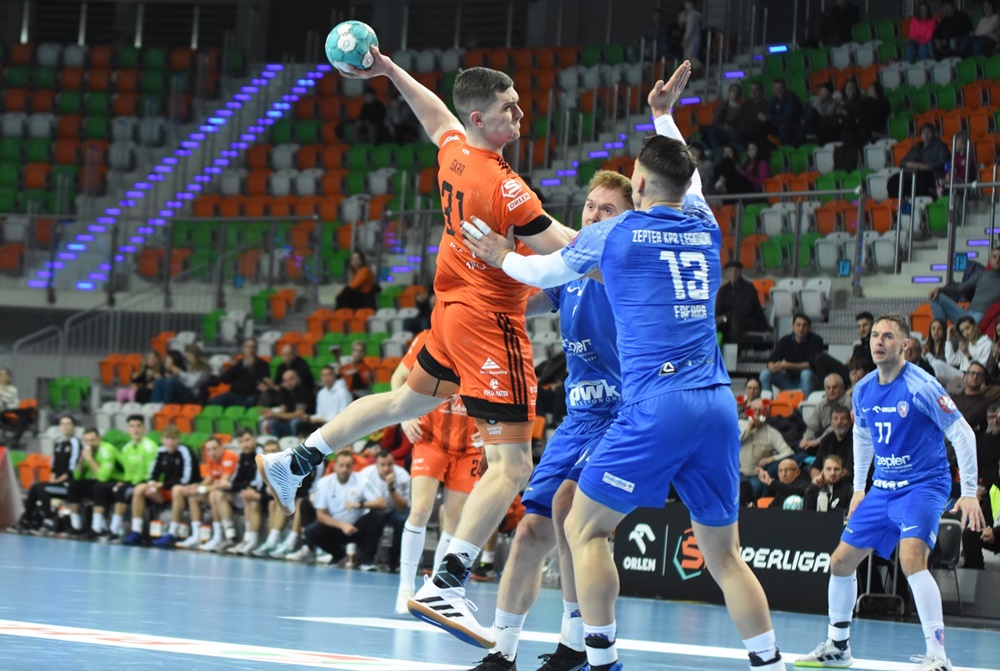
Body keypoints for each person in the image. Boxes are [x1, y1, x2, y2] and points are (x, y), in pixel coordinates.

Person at [462, 61, 787, 671]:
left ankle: (602, 659)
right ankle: (770, 663)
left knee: (583, 528)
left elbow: (541, 269)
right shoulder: (705, 224)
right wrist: (664, 116)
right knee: (726, 558)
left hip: (656, 405)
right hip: (719, 402)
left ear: (636, 186)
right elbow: (685, 176)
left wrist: (502, 254)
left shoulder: (618, 235)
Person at [257, 46, 579, 649]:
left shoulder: (456, 153)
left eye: (518, 104)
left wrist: (387, 69)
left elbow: (435, 117)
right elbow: (565, 249)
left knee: (402, 402)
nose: (520, 115)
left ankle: (295, 461)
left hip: (450, 312)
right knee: (513, 466)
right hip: (489, 326)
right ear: (481, 118)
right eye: (509, 108)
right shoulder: (506, 188)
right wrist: (626, 246)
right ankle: (445, 584)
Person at [469, 169, 629, 671]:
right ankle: (502, 652)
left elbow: (555, 259)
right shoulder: (571, 268)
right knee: (530, 531)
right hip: (578, 420)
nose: (594, 216)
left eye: (608, 210)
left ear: (628, 220)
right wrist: (478, 289)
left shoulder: (625, 264)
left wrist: (512, 251)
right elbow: (522, 301)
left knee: (567, 508)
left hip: (624, 414)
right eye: (590, 206)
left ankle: (577, 643)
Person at [794, 314, 983, 671]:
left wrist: (970, 492)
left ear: (905, 345)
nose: (879, 341)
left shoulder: (921, 386)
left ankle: (938, 656)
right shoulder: (863, 389)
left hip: (923, 485)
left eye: (888, 336)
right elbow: (862, 437)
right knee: (840, 563)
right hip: (882, 488)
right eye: (875, 336)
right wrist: (859, 489)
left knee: (911, 559)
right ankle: (838, 647)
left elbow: (963, 434)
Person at [392, 330, 483, 612]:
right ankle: (405, 587)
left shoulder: (488, 338)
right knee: (420, 509)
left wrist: (492, 426)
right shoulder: (429, 337)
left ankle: (433, 590)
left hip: (469, 445)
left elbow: (499, 390)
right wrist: (404, 417)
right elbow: (398, 377)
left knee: (454, 519)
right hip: (430, 438)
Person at [283, 450, 368, 564]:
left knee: (378, 516)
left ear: (353, 467)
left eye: (348, 466)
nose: (344, 469)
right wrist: (342, 525)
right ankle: (311, 547)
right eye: (341, 465)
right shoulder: (325, 482)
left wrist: (360, 504)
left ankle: (367, 559)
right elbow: (321, 515)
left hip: (357, 526)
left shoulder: (361, 481)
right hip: (335, 524)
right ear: (335, 466)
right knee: (308, 517)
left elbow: (380, 502)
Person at [121, 425, 197, 545]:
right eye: (168, 439)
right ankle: (136, 531)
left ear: (178, 439)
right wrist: (152, 483)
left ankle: (172, 532)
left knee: (177, 489)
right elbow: (153, 473)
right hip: (164, 489)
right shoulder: (160, 451)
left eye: (174, 439)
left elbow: (186, 479)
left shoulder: (185, 451)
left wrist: (162, 484)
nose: (170, 442)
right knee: (140, 488)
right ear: (163, 440)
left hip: (184, 489)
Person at [15, 415, 80, 532]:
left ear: (73, 427)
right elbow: (54, 467)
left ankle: (49, 519)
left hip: (69, 484)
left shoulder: (75, 443)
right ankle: (26, 518)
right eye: (62, 424)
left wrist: (56, 481)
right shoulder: (58, 442)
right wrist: (52, 480)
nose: (65, 427)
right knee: (35, 487)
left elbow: (72, 468)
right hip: (57, 482)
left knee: (42, 488)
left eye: (68, 424)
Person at [100, 414, 159, 540]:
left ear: (144, 429)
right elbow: (127, 473)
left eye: (138, 426)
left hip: (147, 482)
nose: (135, 430)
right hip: (131, 482)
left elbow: (153, 472)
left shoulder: (150, 447)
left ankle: (122, 529)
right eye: (132, 426)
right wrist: (122, 482)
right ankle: (103, 526)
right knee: (108, 488)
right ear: (128, 430)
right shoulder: (126, 448)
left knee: (124, 491)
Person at [174, 437, 239, 550]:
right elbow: (208, 480)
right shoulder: (211, 459)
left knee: (214, 495)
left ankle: (219, 536)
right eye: (208, 450)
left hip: (235, 493)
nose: (212, 452)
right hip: (220, 493)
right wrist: (196, 486)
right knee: (193, 496)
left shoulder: (229, 456)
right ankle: (196, 535)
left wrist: (201, 490)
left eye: (215, 448)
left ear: (221, 448)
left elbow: (223, 483)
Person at [355, 449, 411, 571]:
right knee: (376, 517)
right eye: (382, 465)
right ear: (376, 464)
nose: (386, 468)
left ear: (394, 463)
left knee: (402, 520)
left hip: (395, 510)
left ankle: (395, 562)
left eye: (390, 464)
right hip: (373, 510)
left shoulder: (403, 476)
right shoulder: (365, 474)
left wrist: (391, 488)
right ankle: (367, 560)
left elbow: (403, 507)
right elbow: (357, 499)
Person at [228, 437, 280, 555]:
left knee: (268, 503)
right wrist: (254, 493)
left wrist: (259, 496)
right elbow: (261, 487)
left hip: (282, 501)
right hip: (268, 498)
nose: (271, 454)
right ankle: (249, 539)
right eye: (268, 451)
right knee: (249, 499)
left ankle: (268, 542)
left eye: (274, 451)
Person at [67, 427, 123, 537]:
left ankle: (97, 528)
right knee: (74, 485)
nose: (90, 444)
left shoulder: (107, 450)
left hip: (116, 481)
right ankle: (76, 525)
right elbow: (77, 476)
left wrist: (89, 459)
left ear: (99, 439)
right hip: (97, 481)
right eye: (87, 441)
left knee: (99, 487)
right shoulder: (87, 451)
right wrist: (82, 459)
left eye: (92, 440)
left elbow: (103, 477)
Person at [739, 399, 795, 501]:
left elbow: (788, 451)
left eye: (760, 411)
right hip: (737, 473)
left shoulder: (771, 433)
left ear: (766, 414)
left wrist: (771, 459)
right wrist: (749, 428)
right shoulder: (740, 424)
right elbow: (733, 441)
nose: (757, 413)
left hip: (754, 476)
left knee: (752, 489)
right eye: (754, 410)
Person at [929, 248, 1000, 325]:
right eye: (994, 257)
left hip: (982, 316)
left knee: (968, 326)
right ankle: (941, 330)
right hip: (967, 314)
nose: (997, 260)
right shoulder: (981, 275)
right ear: (990, 260)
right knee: (936, 297)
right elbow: (959, 289)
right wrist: (939, 289)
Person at [760, 314, 824, 396]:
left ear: (809, 328)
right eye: (798, 325)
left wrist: (786, 365)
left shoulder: (816, 340)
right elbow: (771, 360)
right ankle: (767, 401)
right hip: (789, 380)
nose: (801, 328)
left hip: (810, 380)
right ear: (793, 327)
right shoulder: (785, 340)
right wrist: (772, 366)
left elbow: (810, 364)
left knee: (806, 374)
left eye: (804, 325)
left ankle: (805, 403)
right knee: (765, 374)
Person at [886, 124, 949, 200]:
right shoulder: (917, 146)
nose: (926, 135)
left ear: (933, 133)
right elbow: (902, 162)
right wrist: (909, 164)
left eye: (928, 132)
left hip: (930, 173)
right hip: (912, 172)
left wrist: (926, 166)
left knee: (919, 180)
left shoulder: (940, 146)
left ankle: (921, 201)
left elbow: (944, 162)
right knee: (893, 181)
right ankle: (897, 203)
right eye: (923, 133)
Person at [716, 264, 769, 347]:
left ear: (740, 272)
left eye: (736, 271)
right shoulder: (724, 289)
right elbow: (720, 308)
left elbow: (744, 310)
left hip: (753, 321)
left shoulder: (749, 288)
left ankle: (737, 351)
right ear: (726, 273)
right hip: (730, 319)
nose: (733, 274)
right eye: (730, 271)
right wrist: (717, 318)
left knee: (735, 321)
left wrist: (724, 317)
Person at [209, 338, 271, 408]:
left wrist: (251, 367)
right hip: (234, 394)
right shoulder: (239, 364)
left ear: (256, 349)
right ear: (243, 349)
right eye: (247, 347)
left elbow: (262, 383)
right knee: (212, 402)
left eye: (253, 347)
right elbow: (226, 380)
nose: (250, 350)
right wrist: (232, 367)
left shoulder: (263, 364)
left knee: (249, 402)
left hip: (251, 395)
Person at [297, 365, 352, 436]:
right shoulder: (321, 393)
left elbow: (343, 416)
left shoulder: (342, 392)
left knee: (315, 428)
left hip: (337, 425)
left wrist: (323, 420)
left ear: (334, 376)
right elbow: (320, 413)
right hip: (323, 423)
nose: (326, 378)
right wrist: (310, 417)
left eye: (329, 374)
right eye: (324, 375)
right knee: (301, 425)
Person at [799, 374, 847, 455]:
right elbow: (812, 427)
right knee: (801, 447)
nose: (831, 391)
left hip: (840, 441)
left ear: (842, 388)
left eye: (835, 387)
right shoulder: (820, 405)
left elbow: (834, 428)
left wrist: (817, 442)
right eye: (828, 388)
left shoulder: (848, 403)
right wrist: (806, 439)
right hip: (823, 441)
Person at [260, 370, 312, 439]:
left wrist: (275, 415)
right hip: (290, 421)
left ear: (297, 378)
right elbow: (283, 410)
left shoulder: (303, 391)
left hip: (307, 421)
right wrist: (271, 414)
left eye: (291, 379)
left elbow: (299, 414)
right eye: (285, 381)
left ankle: (296, 443)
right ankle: (276, 443)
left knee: (294, 422)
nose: (288, 383)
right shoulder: (285, 392)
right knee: (273, 422)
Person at [811, 405, 854, 481]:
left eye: (843, 418)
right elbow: (816, 467)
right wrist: (817, 479)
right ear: (831, 422)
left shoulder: (855, 439)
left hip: (849, 482)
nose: (839, 422)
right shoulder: (826, 439)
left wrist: (828, 480)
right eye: (835, 418)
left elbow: (848, 471)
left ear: (850, 422)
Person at [951, 362, 992, 433]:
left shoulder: (985, 402)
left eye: (979, 374)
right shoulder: (955, 397)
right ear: (964, 377)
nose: (975, 376)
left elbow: (964, 422)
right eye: (972, 373)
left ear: (983, 380)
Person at [0, 367, 34, 448]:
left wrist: (9, 404)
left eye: (5, 375)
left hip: (9, 409)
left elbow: (15, 402)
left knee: (26, 412)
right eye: (1, 375)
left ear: (9, 377)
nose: (3, 377)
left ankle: (15, 439)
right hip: (1, 410)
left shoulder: (13, 389)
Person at [765, 79, 805, 147]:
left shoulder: (791, 97)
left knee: (783, 127)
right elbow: (770, 113)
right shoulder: (774, 100)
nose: (778, 91)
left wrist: (771, 117)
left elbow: (789, 116)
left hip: (795, 124)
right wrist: (765, 117)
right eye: (776, 88)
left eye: (780, 88)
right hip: (779, 124)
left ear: (785, 87)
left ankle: (788, 147)